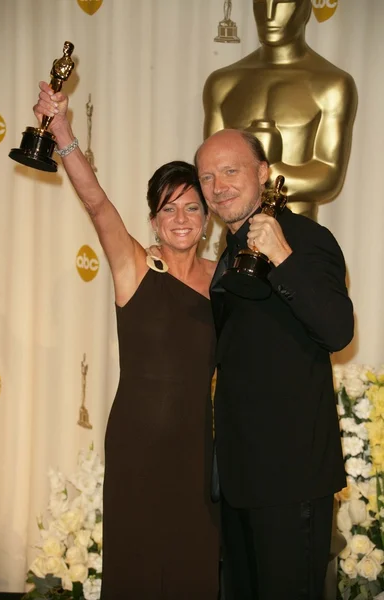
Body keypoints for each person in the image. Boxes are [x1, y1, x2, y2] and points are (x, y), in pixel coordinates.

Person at [33, 81, 219, 600]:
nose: (180, 219)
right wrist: (63, 131)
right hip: (136, 441)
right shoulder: (134, 266)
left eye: (191, 208)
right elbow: (96, 203)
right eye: (168, 209)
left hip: (195, 447)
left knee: (193, 561)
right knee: (136, 563)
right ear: (153, 219)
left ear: (206, 220)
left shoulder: (224, 278)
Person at [195, 128, 354, 600]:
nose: (218, 185)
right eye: (207, 176)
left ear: (263, 173)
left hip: (291, 478)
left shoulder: (306, 239)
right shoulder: (227, 253)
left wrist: (282, 256)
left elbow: (338, 331)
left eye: (230, 170)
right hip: (239, 480)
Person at [203, 0, 357, 221]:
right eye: (261, 2)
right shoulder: (223, 83)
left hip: (297, 236)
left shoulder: (332, 84)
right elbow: (210, 171)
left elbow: (328, 176)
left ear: (305, 7)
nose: (269, 14)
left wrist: (255, 174)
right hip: (236, 237)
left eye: (283, 2)